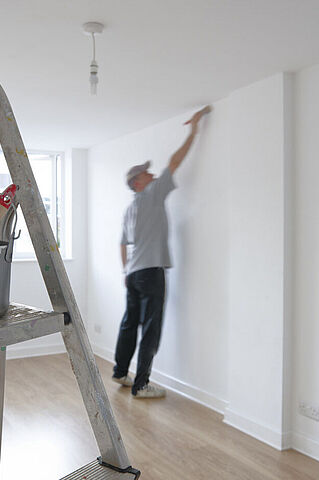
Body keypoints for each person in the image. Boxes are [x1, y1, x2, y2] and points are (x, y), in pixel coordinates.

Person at [113, 106, 211, 398]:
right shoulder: (152, 195)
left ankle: (120, 372)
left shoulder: (129, 209)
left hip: (132, 274)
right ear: (138, 182)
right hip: (152, 271)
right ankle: (141, 385)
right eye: (147, 172)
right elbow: (175, 162)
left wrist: (125, 271)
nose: (153, 174)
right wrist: (193, 131)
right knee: (151, 328)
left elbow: (122, 244)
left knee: (130, 322)